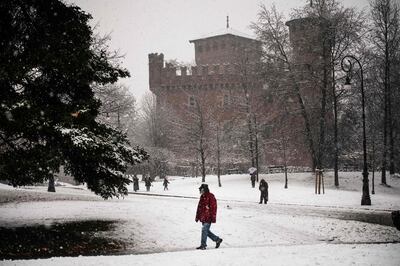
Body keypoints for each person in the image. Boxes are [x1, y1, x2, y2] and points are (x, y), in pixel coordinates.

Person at [195, 184, 223, 250]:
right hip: (203, 217)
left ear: (204, 190)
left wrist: (212, 216)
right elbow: (199, 207)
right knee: (206, 231)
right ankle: (217, 240)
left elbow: (214, 207)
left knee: (204, 230)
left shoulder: (211, 196)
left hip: (208, 217)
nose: (200, 191)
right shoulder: (202, 197)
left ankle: (203, 245)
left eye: (201, 190)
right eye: (200, 190)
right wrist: (197, 216)